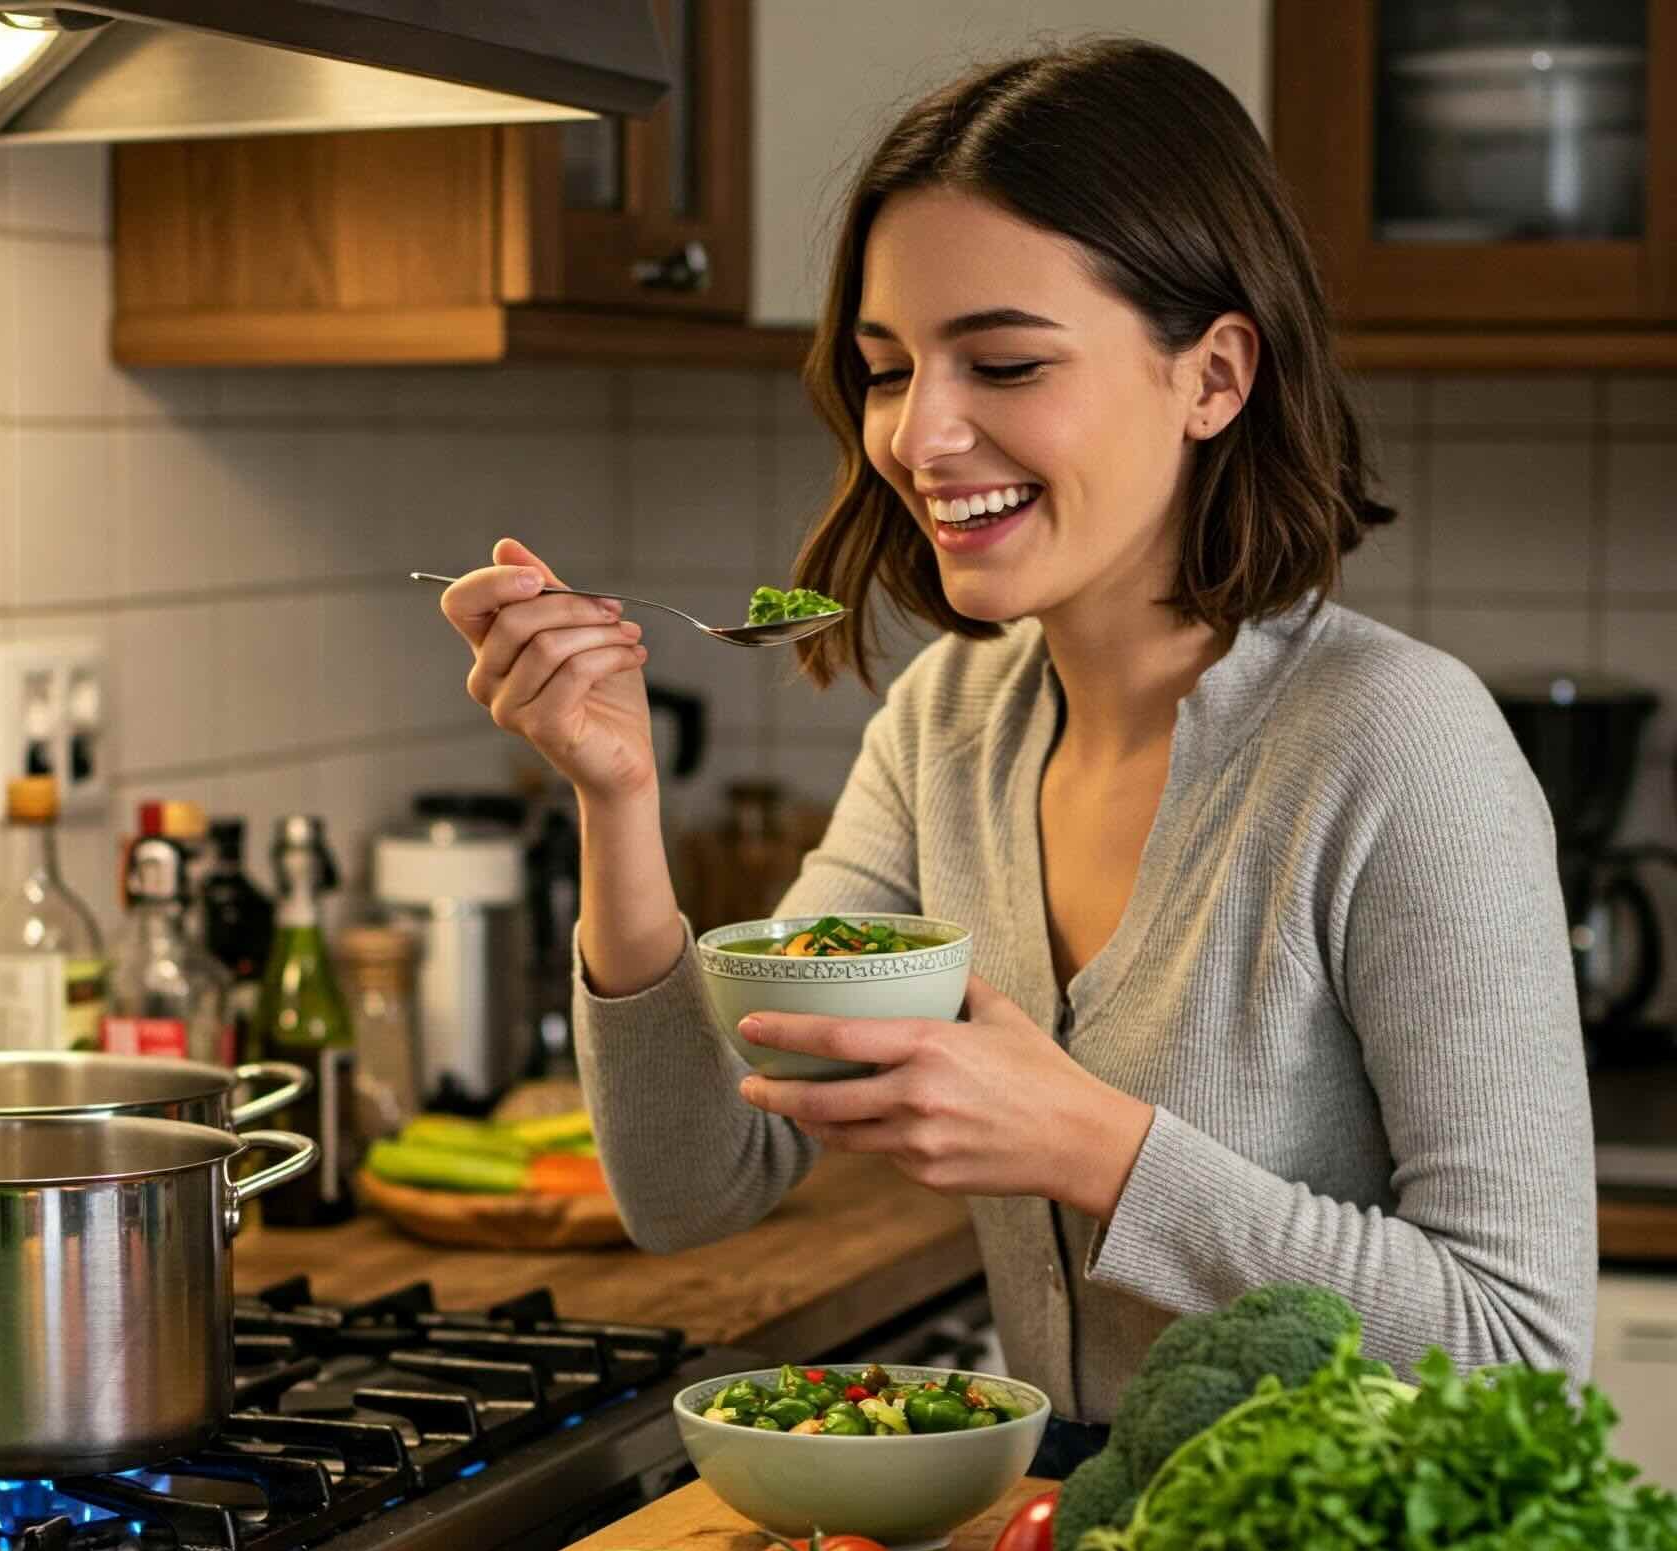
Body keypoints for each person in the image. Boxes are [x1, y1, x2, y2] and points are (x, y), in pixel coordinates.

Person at [433, 38, 1595, 1475]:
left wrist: (1099, 1151)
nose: (918, 433)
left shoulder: (1395, 746)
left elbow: (1520, 1354)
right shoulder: (946, 729)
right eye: (883, 369)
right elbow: (694, 1183)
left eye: (1005, 362)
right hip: (1067, 1550)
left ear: (1215, 376)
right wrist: (615, 800)